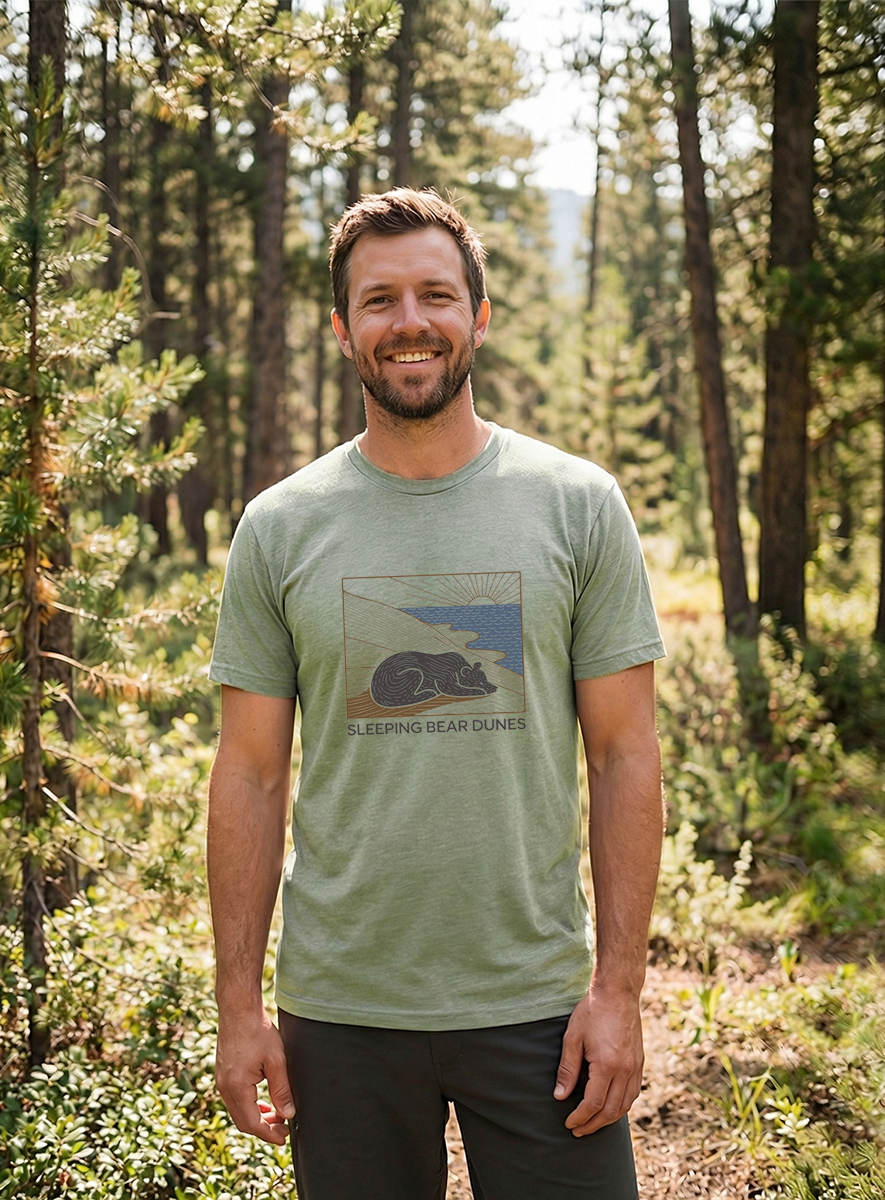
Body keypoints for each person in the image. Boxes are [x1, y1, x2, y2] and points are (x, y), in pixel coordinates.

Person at [207, 188, 665, 1200]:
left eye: (435, 295)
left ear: (478, 316)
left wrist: (619, 991)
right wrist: (241, 1011)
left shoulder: (576, 506)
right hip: (344, 1009)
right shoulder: (280, 527)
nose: (409, 322)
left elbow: (624, 753)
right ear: (342, 329)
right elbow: (248, 772)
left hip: (538, 1007)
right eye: (378, 301)